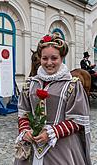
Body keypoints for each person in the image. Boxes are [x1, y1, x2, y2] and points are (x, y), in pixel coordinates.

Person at [14, 33, 92, 165]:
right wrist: (25, 130)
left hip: (62, 146)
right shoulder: (30, 84)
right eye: (45, 58)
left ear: (62, 58)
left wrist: (52, 132)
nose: (49, 63)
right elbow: (23, 113)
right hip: (32, 144)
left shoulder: (72, 85)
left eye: (54, 58)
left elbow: (78, 121)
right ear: (40, 59)